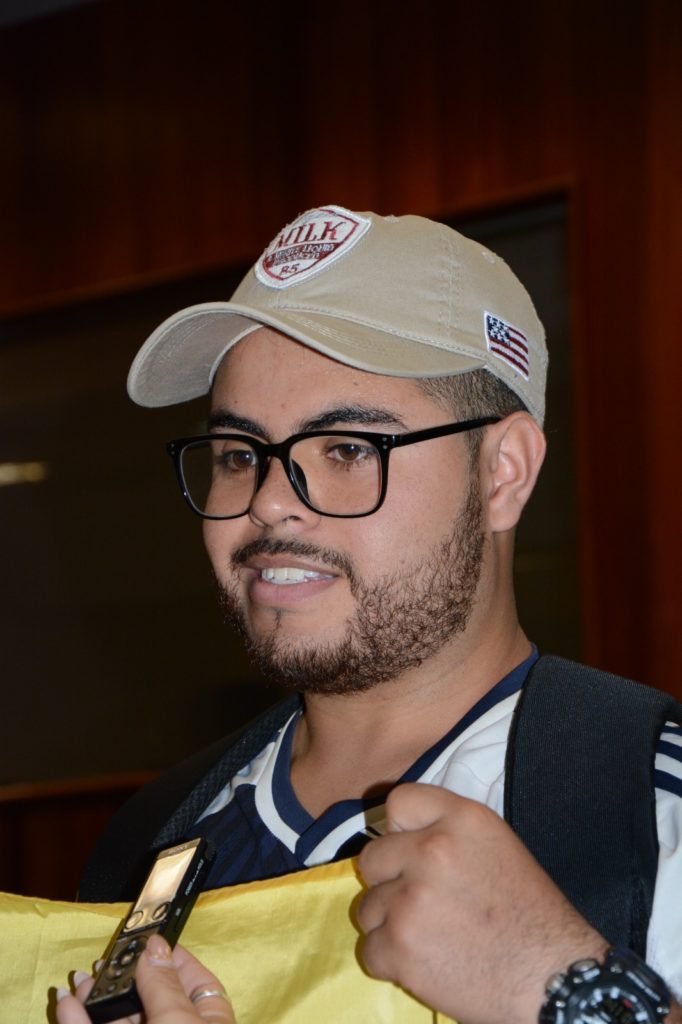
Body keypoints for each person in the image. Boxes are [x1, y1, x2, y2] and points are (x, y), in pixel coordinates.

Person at [77, 206, 682, 1023]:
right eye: (239, 454)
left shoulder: (644, 808)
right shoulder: (147, 844)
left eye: (348, 449)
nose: (269, 503)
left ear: (503, 472)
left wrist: (564, 990)